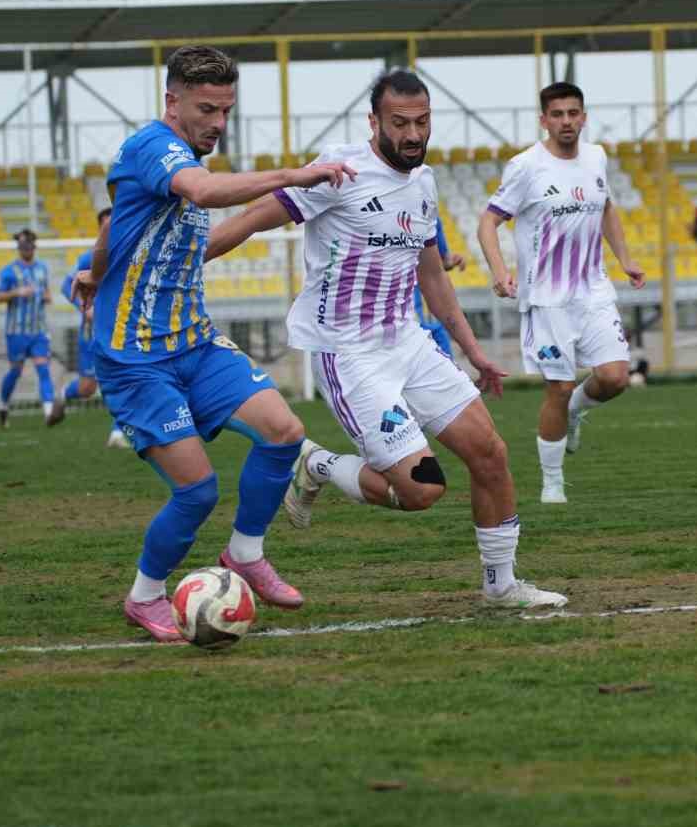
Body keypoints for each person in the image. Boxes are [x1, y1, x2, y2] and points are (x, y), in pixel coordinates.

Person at [204, 69, 567, 609]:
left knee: (490, 453)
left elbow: (431, 273)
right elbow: (256, 218)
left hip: (409, 343)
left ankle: (501, 586)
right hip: (350, 356)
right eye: (400, 123)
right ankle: (318, 464)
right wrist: (180, 262)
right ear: (374, 121)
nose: (414, 134)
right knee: (421, 491)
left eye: (422, 122)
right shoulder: (339, 171)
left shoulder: (423, 182)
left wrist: (472, 352)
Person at [71, 45, 358, 641]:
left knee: (283, 431)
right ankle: (145, 596)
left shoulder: (184, 157)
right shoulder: (157, 148)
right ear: (171, 101)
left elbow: (130, 230)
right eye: (206, 108)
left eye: (226, 110)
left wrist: (94, 270)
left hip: (194, 343)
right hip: (135, 358)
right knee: (198, 490)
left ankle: (245, 554)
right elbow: (202, 193)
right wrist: (293, 175)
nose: (218, 123)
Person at [478, 82, 645, 504]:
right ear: (544, 120)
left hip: (592, 290)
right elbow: (488, 222)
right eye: (558, 114)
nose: (566, 121)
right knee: (559, 387)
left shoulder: (597, 157)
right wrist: (500, 272)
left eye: (573, 113)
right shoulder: (526, 167)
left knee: (615, 377)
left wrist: (625, 260)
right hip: (547, 299)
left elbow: (606, 208)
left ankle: (575, 414)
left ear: (584, 117)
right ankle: (553, 484)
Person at [48, 206, 132, 446]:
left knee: (124, 376)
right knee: (87, 388)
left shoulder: (129, 253)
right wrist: (86, 309)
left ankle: (117, 433)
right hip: (92, 330)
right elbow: (67, 286)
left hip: (121, 327)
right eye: (105, 224)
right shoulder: (89, 258)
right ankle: (64, 393)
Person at [0, 229, 54, 427]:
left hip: (38, 330)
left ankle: (49, 412)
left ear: (34, 246)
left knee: (43, 369)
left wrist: (46, 297)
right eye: (23, 246)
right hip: (16, 331)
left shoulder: (42, 269)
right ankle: (3, 404)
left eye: (29, 245)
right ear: (19, 248)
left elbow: (47, 293)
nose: (26, 249)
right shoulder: (9, 271)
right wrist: (17, 292)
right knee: (15, 372)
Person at [415, 214, 465, 357]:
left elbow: (440, 262)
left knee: (430, 331)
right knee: (431, 332)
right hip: (401, 295)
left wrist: (451, 260)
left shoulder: (432, 217)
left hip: (410, 295)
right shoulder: (429, 214)